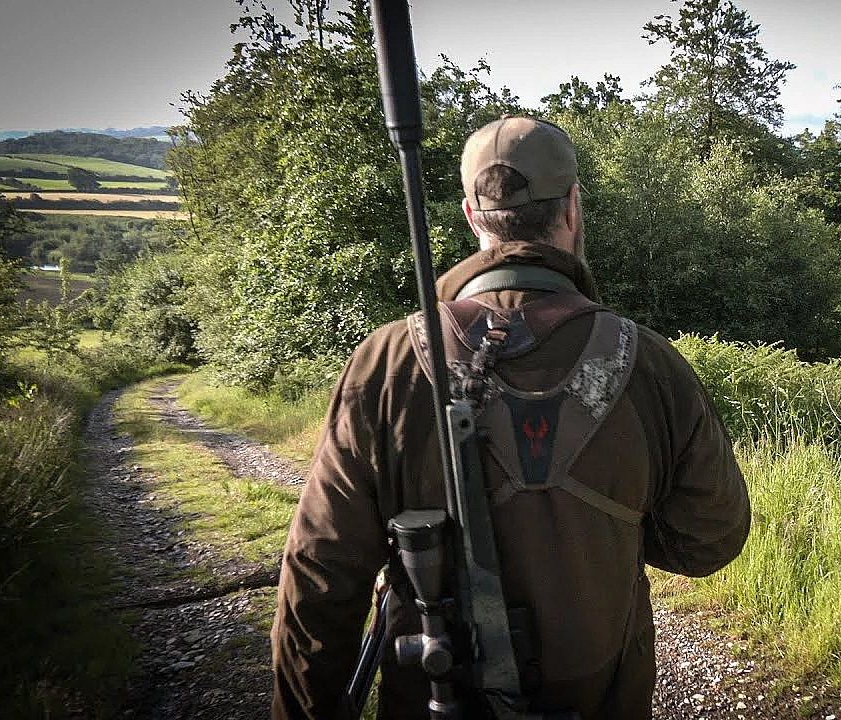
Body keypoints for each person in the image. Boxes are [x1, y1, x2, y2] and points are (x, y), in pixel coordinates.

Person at [271, 116, 750, 720]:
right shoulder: (647, 361)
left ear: (472, 217)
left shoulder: (386, 361)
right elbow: (711, 538)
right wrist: (611, 520)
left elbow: (320, 573)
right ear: (572, 208)